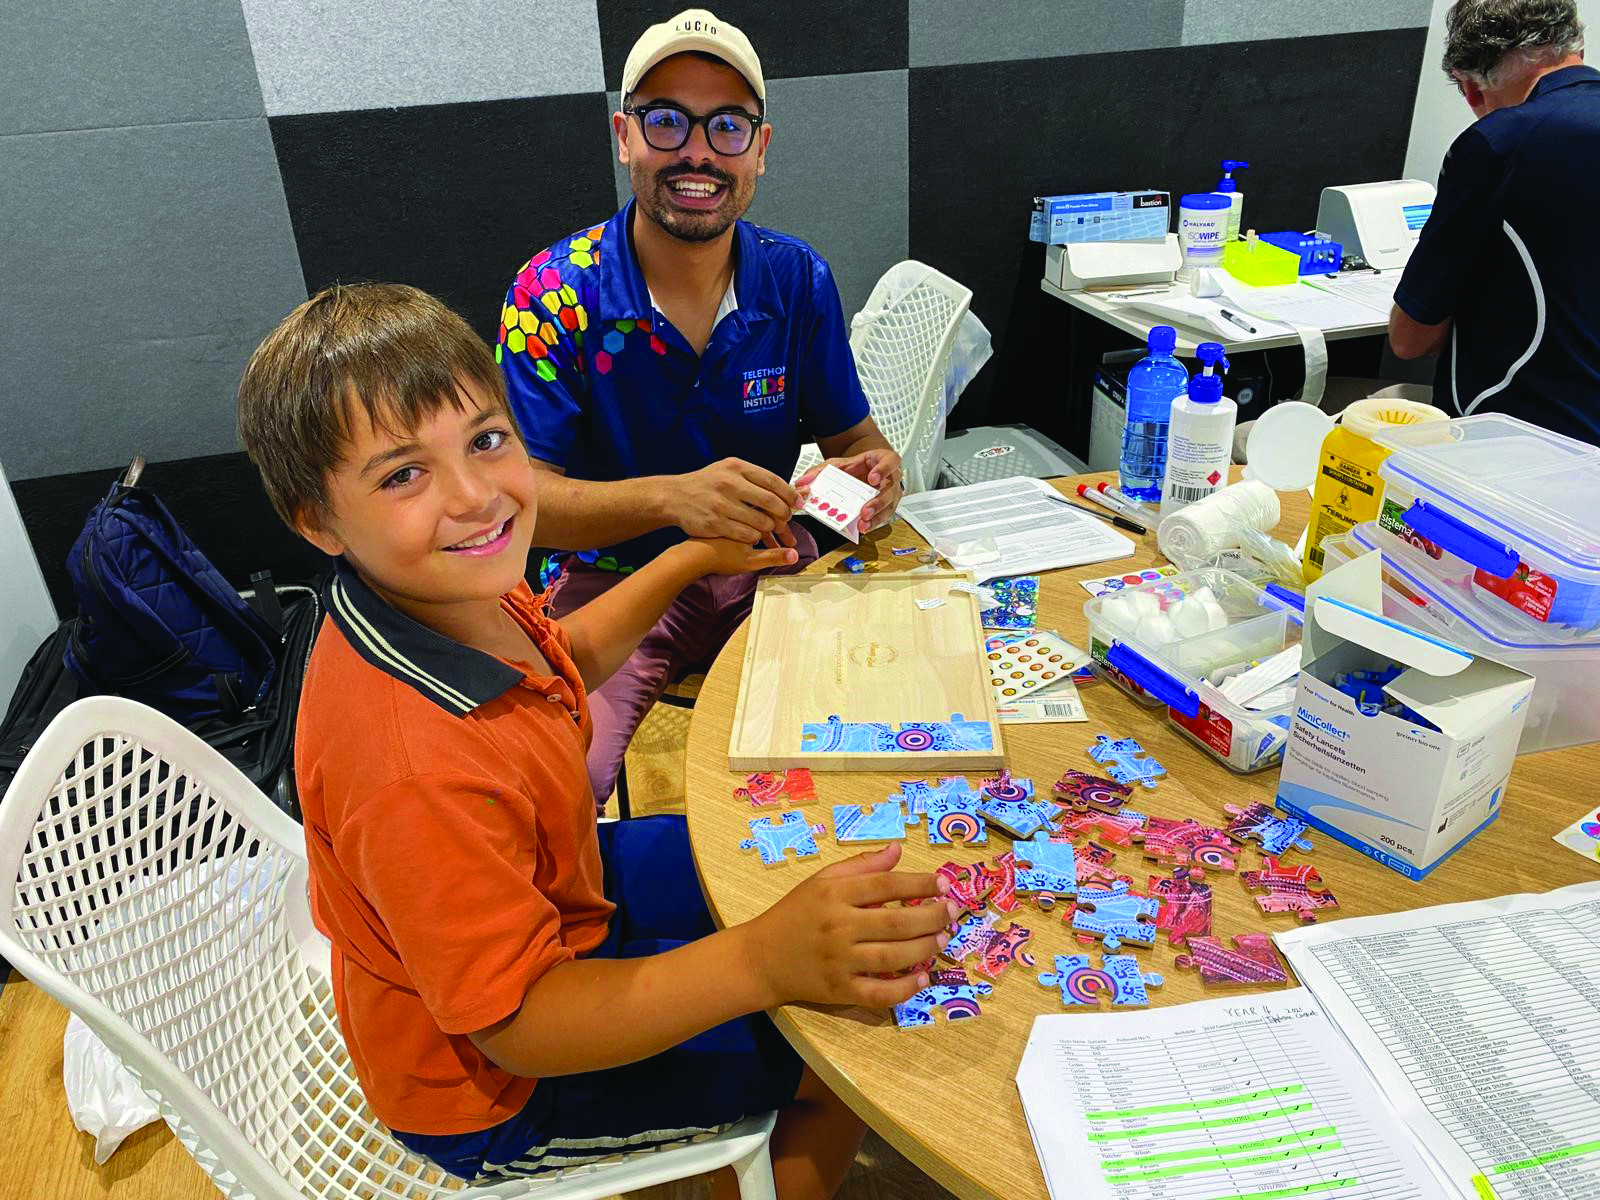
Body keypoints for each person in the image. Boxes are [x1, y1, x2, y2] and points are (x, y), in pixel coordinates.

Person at [235, 282, 956, 1196]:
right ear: (316, 520)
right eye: (402, 475)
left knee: (767, 862)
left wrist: (690, 558)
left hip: (561, 891)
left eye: (486, 441)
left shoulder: (446, 589)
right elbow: (521, 1024)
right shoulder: (410, 768)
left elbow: (565, 654)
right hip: (499, 1089)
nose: (475, 497)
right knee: (842, 1046)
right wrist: (759, 962)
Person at [495, 9, 903, 805]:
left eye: (727, 126)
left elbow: (856, 441)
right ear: (624, 137)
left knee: (885, 729)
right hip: (609, 582)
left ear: (760, 148)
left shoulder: (796, 279)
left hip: (766, 566)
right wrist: (674, 500)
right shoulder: (553, 292)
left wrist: (878, 475)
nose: (698, 152)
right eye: (667, 121)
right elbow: (523, 506)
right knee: (554, 786)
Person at [1389, 0, 1600, 443]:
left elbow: (1410, 340)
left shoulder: (1498, 144)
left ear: (1471, 89)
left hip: (1517, 436)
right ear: (1576, 46)